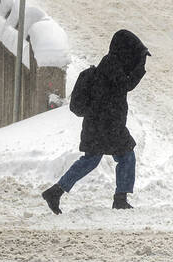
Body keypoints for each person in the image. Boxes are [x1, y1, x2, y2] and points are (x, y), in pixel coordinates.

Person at [42, 29, 150, 214]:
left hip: (99, 124)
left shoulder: (110, 64)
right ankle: (120, 199)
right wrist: (141, 63)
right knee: (125, 156)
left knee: (92, 160)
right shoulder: (113, 66)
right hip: (107, 125)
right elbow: (127, 85)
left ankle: (56, 192)